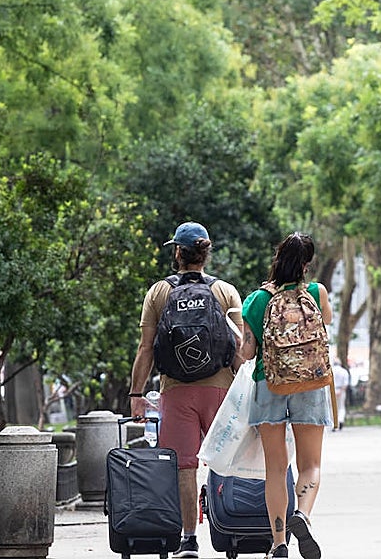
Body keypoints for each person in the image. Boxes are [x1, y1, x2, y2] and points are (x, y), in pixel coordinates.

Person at [129, 222, 245, 559]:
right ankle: (233, 530)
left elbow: (146, 348)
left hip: (176, 391)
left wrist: (137, 395)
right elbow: (240, 347)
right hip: (221, 389)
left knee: (184, 466)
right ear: (206, 253)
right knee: (228, 461)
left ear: (178, 252)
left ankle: (189, 538)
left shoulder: (158, 292)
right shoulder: (225, 291)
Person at [238, 232, 334, 559]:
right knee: (311, 466)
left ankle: (279, 543)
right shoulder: (317, 293)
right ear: (307, 264)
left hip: (270, 384)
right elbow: (327, 324)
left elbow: (248, 352)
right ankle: (302, 515)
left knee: (276, 469)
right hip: (310, 385)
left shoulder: (256, 299)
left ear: (277, 257)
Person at [331, 355, 350, 431]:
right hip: (341, 390)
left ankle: (334, 423)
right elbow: (345, 384)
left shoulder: (331, 371)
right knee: (341, 407)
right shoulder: (344, 371)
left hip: (332, 390)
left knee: (332, 407)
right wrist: (341, 391)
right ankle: (341, 420)